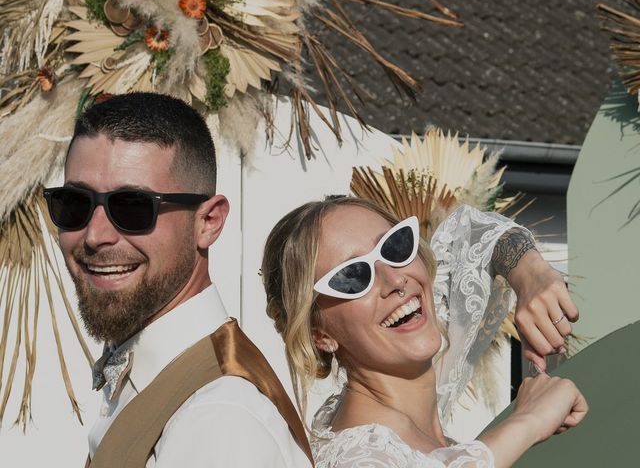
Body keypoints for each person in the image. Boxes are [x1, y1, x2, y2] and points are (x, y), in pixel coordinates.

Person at [44, 93, 313, 468]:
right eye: (73, 204)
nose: (94, 236)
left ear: (208, 222)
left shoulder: (219, 419)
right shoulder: (163, 381)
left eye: (133, 208)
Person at [261, 196, 588, 467]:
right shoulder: (359, 457)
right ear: (320, 335)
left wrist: (530, 275)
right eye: (352, 276)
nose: (395, 281)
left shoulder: (415, 398)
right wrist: (527, 422)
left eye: (395, 246)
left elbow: (474, 235)